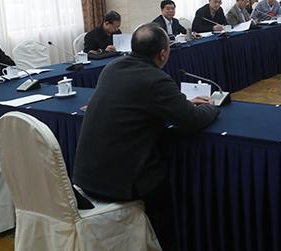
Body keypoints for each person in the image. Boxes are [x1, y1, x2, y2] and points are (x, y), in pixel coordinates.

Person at [74, 23, 220, 250]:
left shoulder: (112, 67)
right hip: (120, 183)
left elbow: (141, 101)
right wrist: (213, 106)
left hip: (84, 177)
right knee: (168, 185)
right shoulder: (156, 79)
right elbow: (191, 121)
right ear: (163, 53)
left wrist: (181, 103)